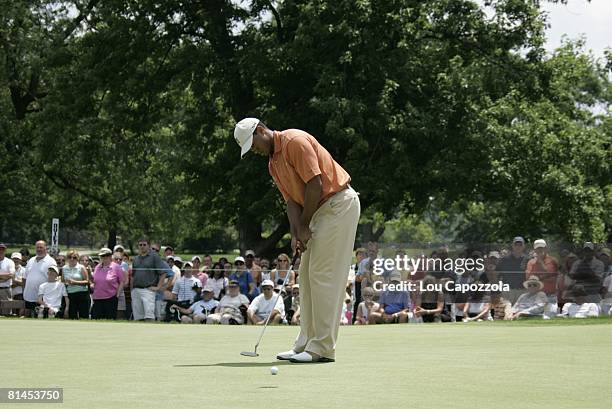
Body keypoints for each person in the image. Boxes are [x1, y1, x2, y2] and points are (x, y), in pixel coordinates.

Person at [234, 118, 360, 363]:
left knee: (322, 276)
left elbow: (315, 184)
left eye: (253, 144)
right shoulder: (273, 163)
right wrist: (296, 232)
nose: (255, 151)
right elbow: (291, 200)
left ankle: (322, 348)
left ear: (261, 130)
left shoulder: (295, 141)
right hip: (318, 210)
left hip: (338, 205)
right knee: (306, 277)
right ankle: (304, 344)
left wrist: (304, 225)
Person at [130, 238, 167, 321]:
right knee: (138, 317)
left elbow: (163, 273)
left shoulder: (154, 257)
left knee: (149, 317)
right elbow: (133, 275)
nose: (142, 247)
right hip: (136, 290)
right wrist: (132, 290)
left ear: (148, 246)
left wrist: (158, 287)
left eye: (144, 245)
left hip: (148, 290)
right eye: (140, 245)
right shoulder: (135, 259)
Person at [525, 239, 559, 316]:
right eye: (538, 248)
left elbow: (551, 277)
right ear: (534, 250)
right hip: (536, 297)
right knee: (533, 319)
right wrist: (543, 277)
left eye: (542, 247)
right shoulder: (531, 262)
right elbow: (528, 279)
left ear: (546, 248)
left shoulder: (553, 261)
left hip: (550, 296)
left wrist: (540, 262)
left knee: (550, 317)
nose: (540, 250)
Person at [23, 241, 57, 318]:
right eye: (37, 247)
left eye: (41, 247)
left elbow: (53, 279)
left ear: (46, 248)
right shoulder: (31, 260)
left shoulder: (51, 261)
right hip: (29, 295)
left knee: (41, 318)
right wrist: (23, 291)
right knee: (28, 318)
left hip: (43, 297)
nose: (39, 249)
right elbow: (25, 277)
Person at [91, 248, 124, 320]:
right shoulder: (97, 267)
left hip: (111, 298)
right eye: (102, 256)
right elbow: (94, 280)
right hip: (97, 298)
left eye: (106, 256)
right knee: (95, 319)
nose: (104, 258)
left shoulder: (116, 267)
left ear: (110, 256)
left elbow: (122, 281)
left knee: (110, 320)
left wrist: (117, 294)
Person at [62, 250, 90, 319]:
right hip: (70, 295)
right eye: (69, 257)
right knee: (72, 316)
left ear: (77, 258)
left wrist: (75, 282)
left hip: (82, 294)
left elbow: (87, 281)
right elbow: (63, 281)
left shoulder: (81, 267)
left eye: (74, 257)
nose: (72, 259)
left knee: (84, 317)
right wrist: (66, 283)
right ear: (67, 258)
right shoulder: (64, 268)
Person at [0, 243, 16, 315]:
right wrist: (4, 277)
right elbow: (8, 275)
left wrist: (5, 277)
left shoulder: (9, 262)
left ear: (5, 251)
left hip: (5, 290)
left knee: (6, 313)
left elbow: (11, 275)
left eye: (2, 249)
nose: (1, 251)